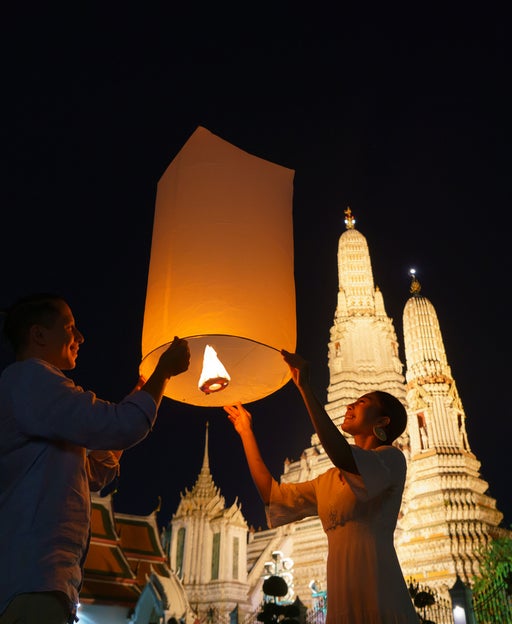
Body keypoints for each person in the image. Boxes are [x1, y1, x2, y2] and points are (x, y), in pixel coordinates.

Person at [0, 293, 190, 624]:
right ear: (38, 335)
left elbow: (92, 472)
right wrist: (163, 375)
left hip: (46, 578)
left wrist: (144, 392)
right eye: (70, 327)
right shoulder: (30, 378)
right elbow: (121, 426)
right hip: (33, 577)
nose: (80, 337)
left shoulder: (36, 397)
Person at [224, 349, 419, 624]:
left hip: (380, 593)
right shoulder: (329, 479)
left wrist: (305, 389)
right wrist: (246, 432)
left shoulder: (391, 459)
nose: (350, 405)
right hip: (341, 599)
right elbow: (272, 495)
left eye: (361, 402)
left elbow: (342, 455)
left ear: (382, 422)